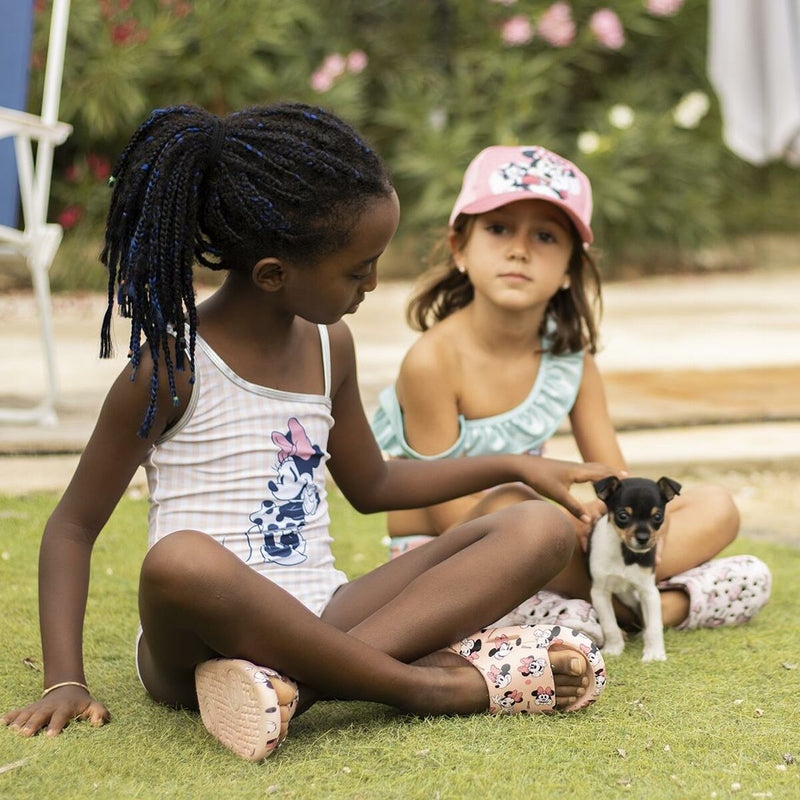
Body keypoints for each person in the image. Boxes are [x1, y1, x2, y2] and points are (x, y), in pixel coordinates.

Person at [1, 108, 618, 762]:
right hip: (195, 649)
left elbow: (375, 484)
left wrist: (519, 471)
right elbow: (71, 527)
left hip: (328, 613)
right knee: (180, 558)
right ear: (274, 274)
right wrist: (64, 679)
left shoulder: (332, 346)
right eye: (358, 271)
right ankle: (429, 686)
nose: (372, 285)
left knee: (539, 527)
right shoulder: (173, 365)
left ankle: (301, 690)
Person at [372, 144, 771, 639]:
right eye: (498, 229)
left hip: (549, 554)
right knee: (514, 504)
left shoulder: (573, 363)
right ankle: (646, 610)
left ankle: (597, 611)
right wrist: (558, 522)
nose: (519, 249)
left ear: (568, 270)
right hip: (449, 557)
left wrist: (602, 524)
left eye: (545, 236)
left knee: (715, 506)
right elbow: (449, 514)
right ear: (459, 246)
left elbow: (619, 482)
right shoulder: (432, 360)